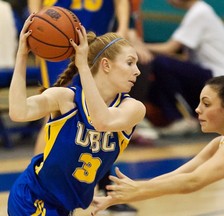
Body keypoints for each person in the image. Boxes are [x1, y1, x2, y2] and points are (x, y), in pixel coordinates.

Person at [92, 73, 224, 215]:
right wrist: (126, 192)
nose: (197, 109)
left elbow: (193, 182)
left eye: (206, 104)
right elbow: (182, 174)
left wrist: (139, 191)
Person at [8, 14, 145, 215]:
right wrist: (21, 56)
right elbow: (19, 112)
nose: (138, 71)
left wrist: (83, 67)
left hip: (65, 207)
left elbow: (102, 121)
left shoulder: (133, 108)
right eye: (130, 62)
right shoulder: (65, 99)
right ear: (106, 65)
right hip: (33, 197)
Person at [142, 0, 224, 136]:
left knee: (160, 63)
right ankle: (182, 117)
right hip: (214, 77)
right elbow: (183, 60)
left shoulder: (200, 12)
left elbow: (169, 48)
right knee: (157, 76)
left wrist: (138, 47)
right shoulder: (200, 12)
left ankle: (179, 119)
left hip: (219, 79)